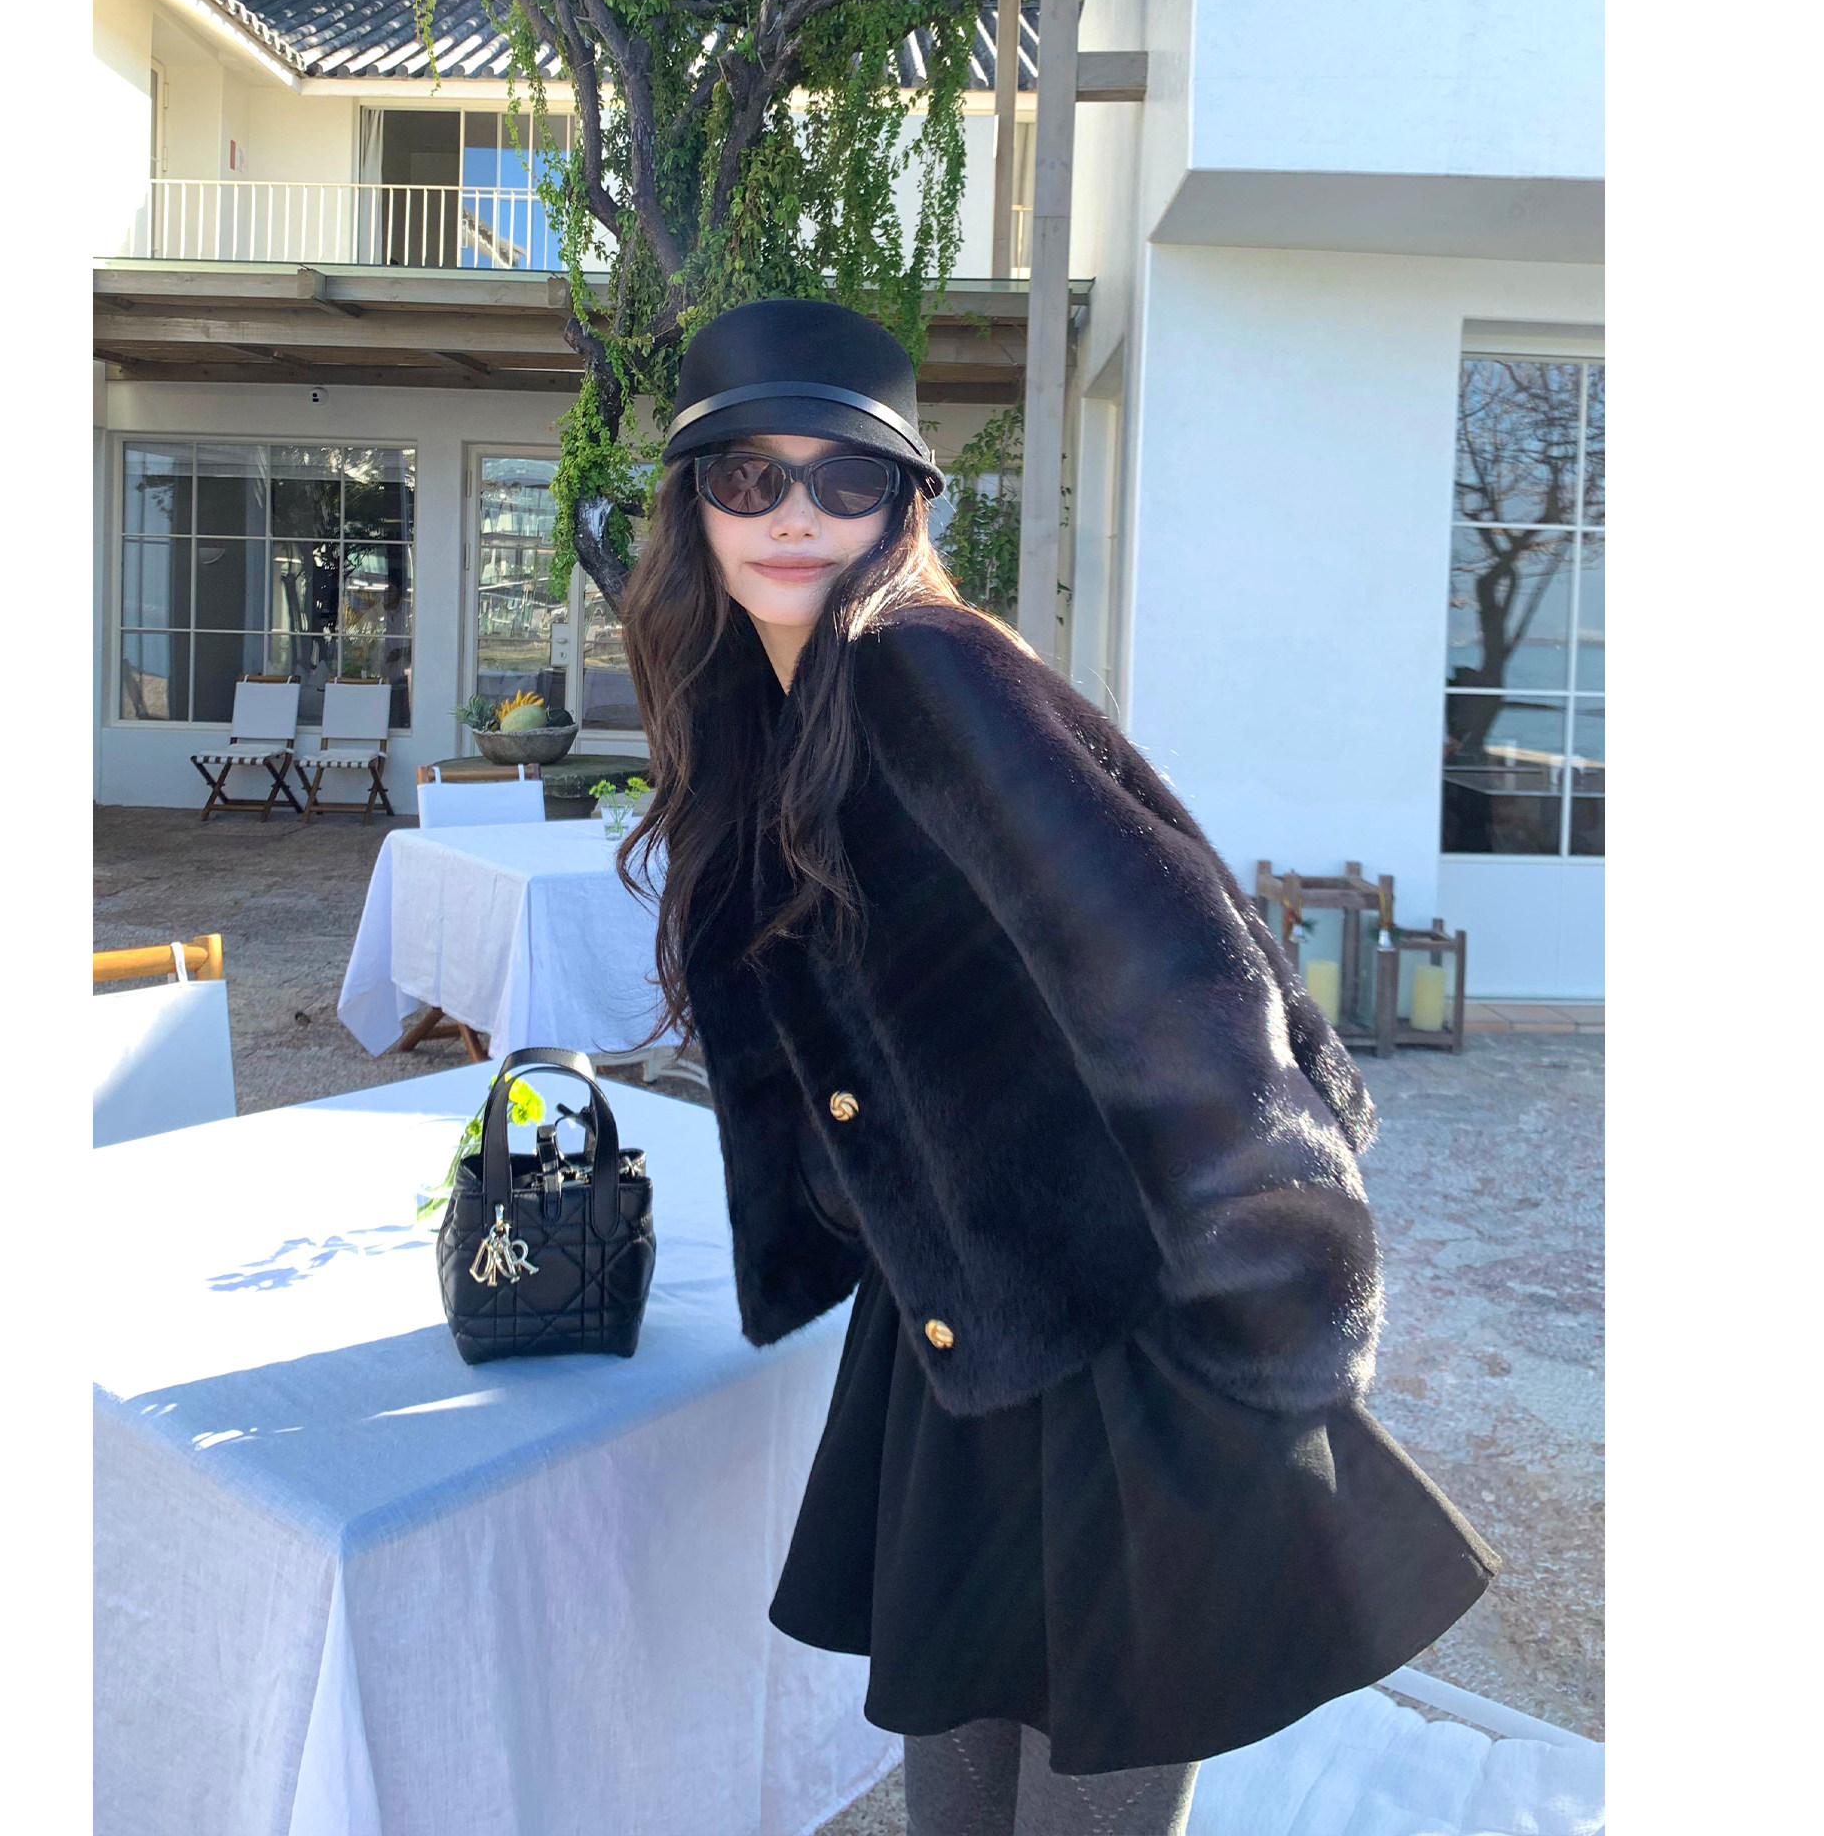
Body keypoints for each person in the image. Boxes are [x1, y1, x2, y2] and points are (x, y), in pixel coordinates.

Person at [617, 299, 1497, 1836]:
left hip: (1131, 1332)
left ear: (902, 505)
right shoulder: (768, 719)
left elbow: (1181, 959)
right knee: (961, 1796)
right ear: (694, 505)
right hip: (968, 1325)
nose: (795, 513)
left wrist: (1276, 1293)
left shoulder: (915, 665)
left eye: (845, 477)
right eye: (749, 476)